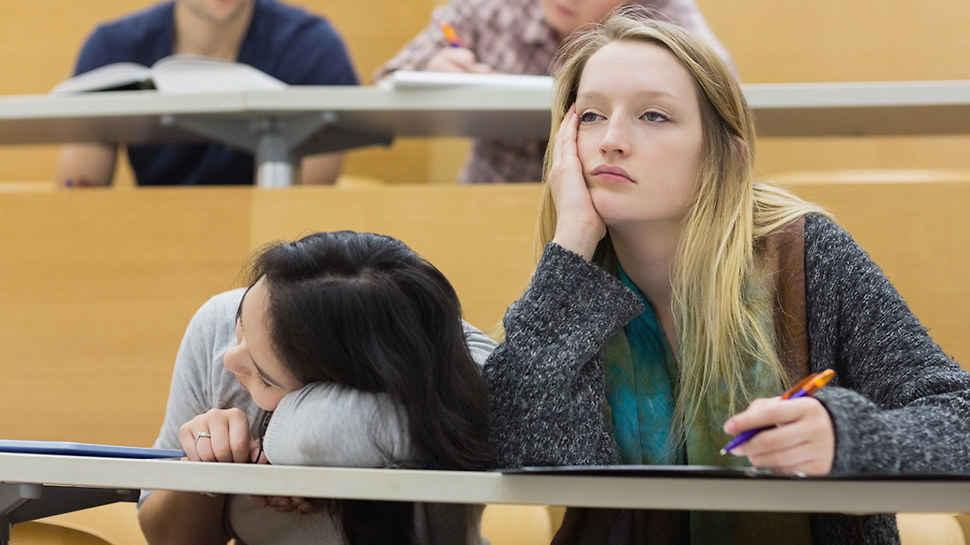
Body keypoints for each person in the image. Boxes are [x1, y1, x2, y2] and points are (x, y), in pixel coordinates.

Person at [483, 8, 970, 544]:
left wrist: (847, 434)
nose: (611, 141)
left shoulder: (808, 255)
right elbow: (519, 446)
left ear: (724, 156)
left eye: (653, 116)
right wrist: (571, 239)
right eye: (592, 115)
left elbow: (959, 419)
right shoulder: (573, 284)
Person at [138, 231, 496, 545]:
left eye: (265, 377)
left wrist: (294, 450)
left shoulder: (449, 367)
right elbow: (165, 535)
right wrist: (208, 470)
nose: (230, 359)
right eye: (240, 323)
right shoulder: (218, 325)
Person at [373, 0, 733, 184]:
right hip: (495, 195)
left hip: (618, 215)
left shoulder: (665, 13)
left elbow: (724, 95)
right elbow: (386, 82)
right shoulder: (494, 6)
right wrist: (433, 69)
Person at [56, 0, 358, 187]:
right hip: (154, 239)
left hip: (268, 253)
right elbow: (79, 194)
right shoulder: (113, 48)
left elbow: (302, 204)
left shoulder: (310, 46)